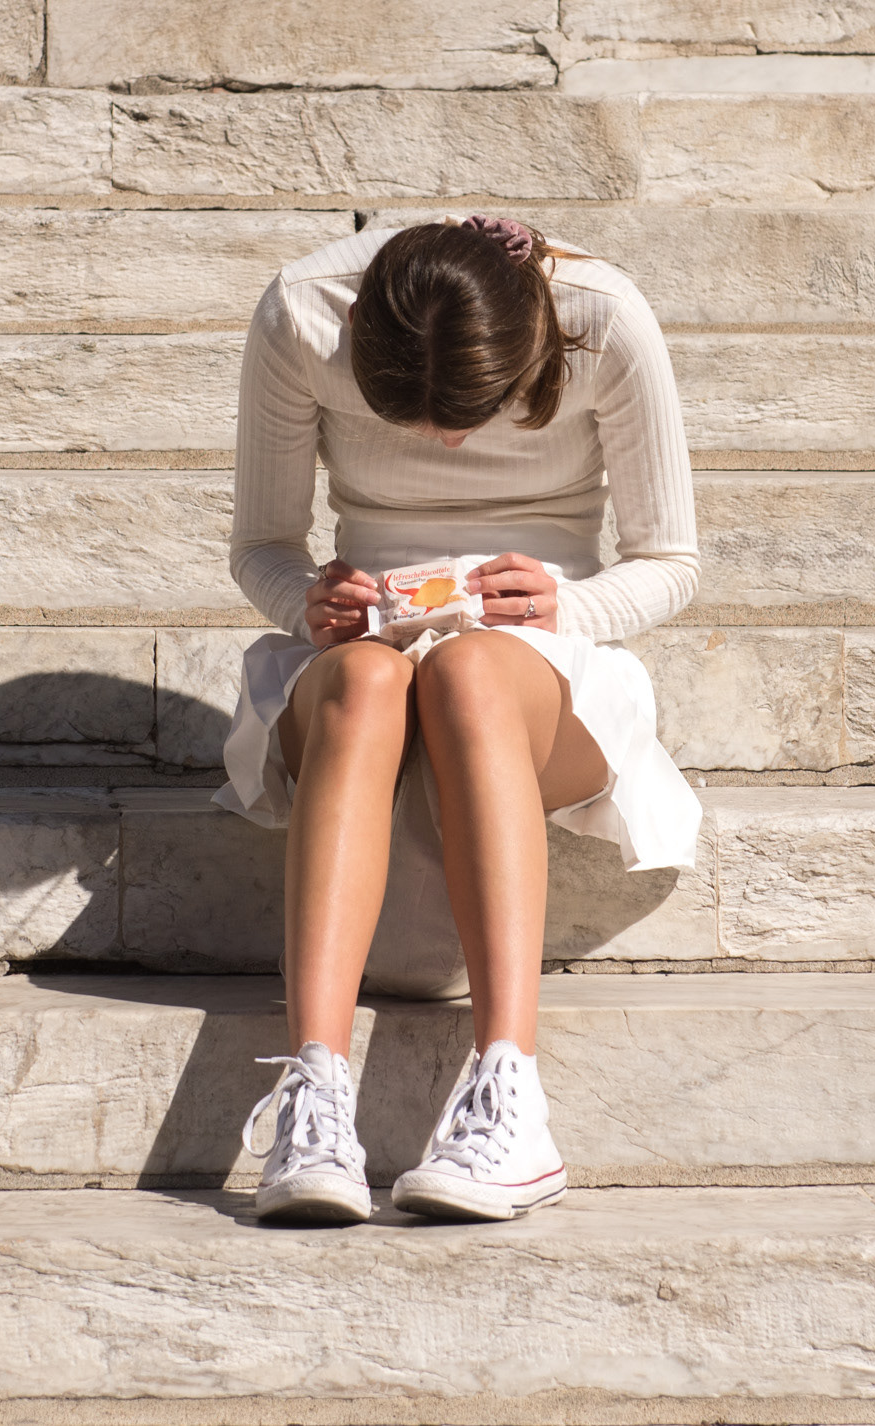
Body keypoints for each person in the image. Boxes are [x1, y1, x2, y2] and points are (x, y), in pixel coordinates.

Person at [220, 215, 700, 1225]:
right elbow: (262, 545)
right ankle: (314, 1096)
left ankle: (510, 1093)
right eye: (412, 419)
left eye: (473, 415)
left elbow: (672, 560)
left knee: (471, 673)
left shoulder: (603, 318)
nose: (444, 439)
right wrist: (309, 599)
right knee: (367, 682)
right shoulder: (305, 313)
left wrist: (569, 605)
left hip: (537, 667)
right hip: (363, 665)